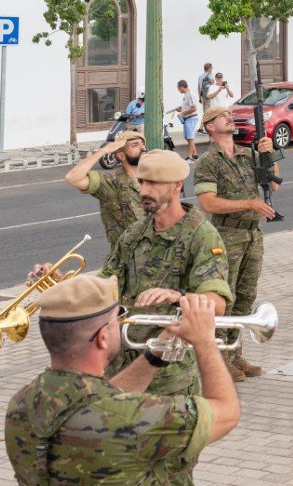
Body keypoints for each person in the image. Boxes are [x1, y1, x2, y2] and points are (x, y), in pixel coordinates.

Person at [4, 276, 238, 484]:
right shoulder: (131, 417)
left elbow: (98, 401)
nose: (122, 324)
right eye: (118, 318)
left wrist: (155, 355)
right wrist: (204, 341)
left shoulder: (22, 402)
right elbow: (226, 412)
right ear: (102, 338)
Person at [87, 150, 233, 394]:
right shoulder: (135, 233)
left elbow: (217, 304)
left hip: (168, 377)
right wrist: (61, 283)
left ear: (177, 185)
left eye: (154, 183)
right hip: (123, 367)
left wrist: (177, 295)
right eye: (142, 182)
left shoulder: (202, 235)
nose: (144, 190)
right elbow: (106, 285)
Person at [193, 106, 279, 378]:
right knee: (224, 299)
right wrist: (250, 203)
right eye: (222, 117)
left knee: (245, 297)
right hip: (226, 235)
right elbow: (208, 203)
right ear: (209, 126)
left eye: (230, 115)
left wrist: (269, 154)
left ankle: (235, 354)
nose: (229, 118)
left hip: (252, 234)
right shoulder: (209, 161)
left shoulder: (246, 154)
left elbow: (273, 184)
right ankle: (218, 361)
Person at [66, 132, 147, 250]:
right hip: (126, 256)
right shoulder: (110, 181)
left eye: (142, 144)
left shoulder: (155, 177)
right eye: (135, 145)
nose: (142, 148)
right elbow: (73, 177)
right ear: (121, 156)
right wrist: (103, 151)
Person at [174, 81, 200, 160]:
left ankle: (189, 156)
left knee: (190, 137)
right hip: (187, 118)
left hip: (191, 118)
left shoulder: (190, 94)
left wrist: (182, 113)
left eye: (178, 88)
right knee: (186, 136)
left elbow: (194, 108)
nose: (178, 90)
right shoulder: (186, 95)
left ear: (182, 87)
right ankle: (195, 153)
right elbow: (188, 106)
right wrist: (180, 109)